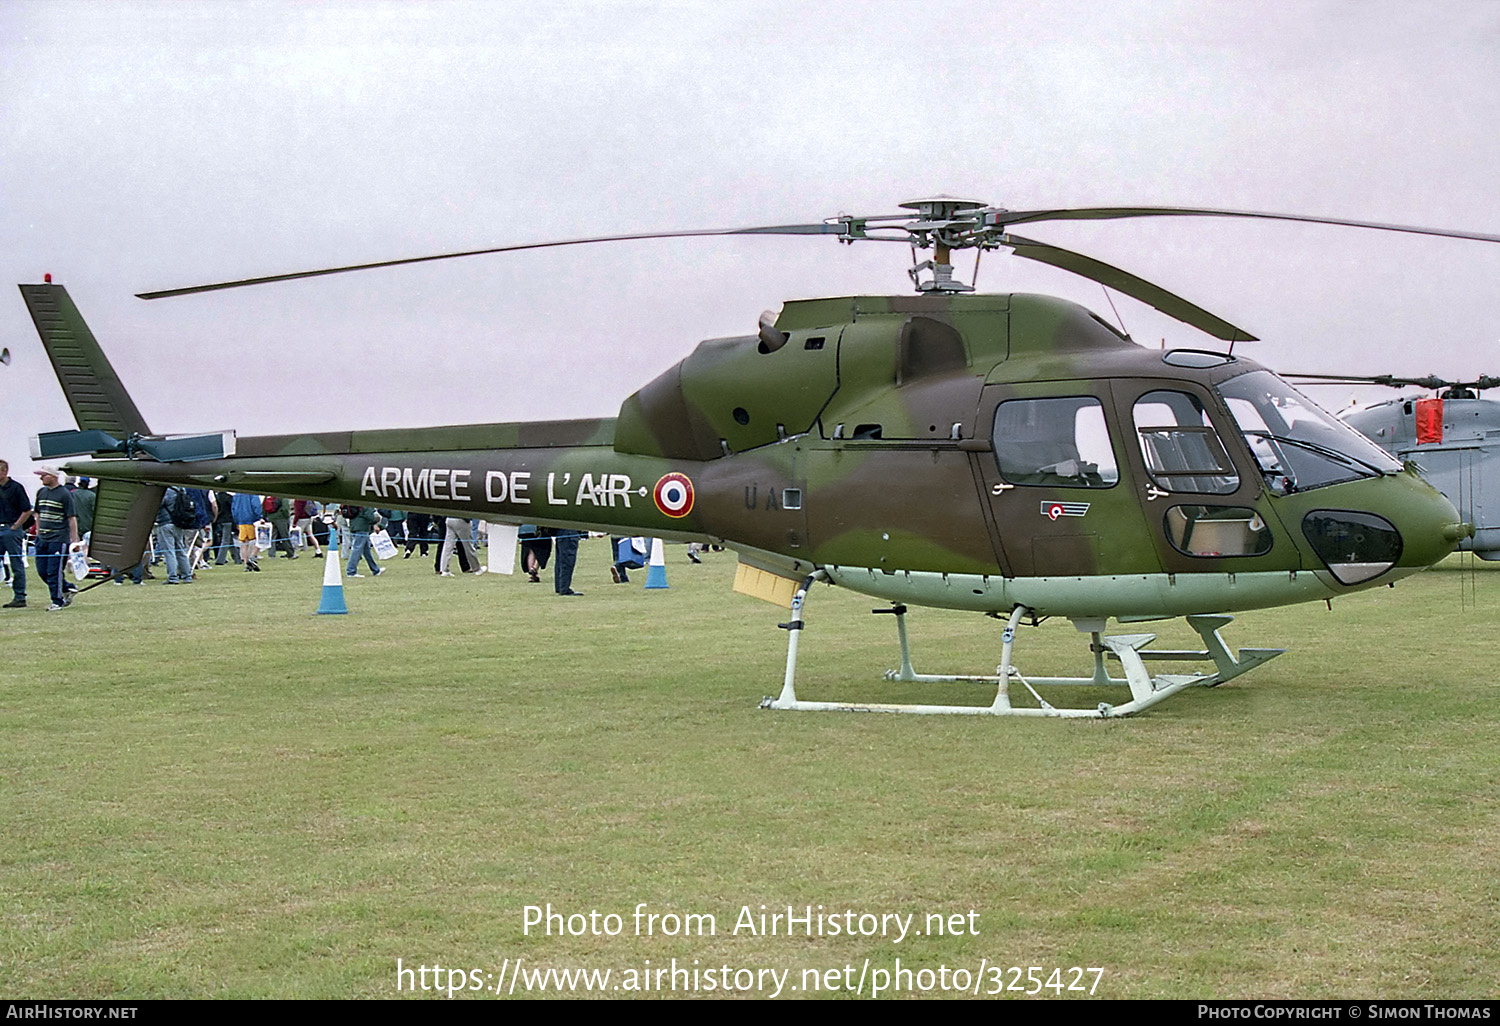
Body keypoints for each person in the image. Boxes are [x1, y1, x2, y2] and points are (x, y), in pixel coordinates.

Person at [32, 467, 79, 610]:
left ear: (53, 476)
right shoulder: (41, 493)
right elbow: (38, 514)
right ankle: (68, 587)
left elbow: (71, 518)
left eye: (43, 475)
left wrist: (74, 539)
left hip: (58, 538)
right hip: (43, 538)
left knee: (54, 571)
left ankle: (57, 601)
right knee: (42, 571)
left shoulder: (64, 494)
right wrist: (38, 532)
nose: (41, 478)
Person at [1, 459, 33, 608]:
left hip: (11, 529)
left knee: (16, 564)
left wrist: (15, 526)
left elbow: (27, 510)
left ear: (5, 471)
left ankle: (20, 597)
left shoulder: (16, 488)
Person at [343, 506, 385, 578]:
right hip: (362, 527)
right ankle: (351, 571)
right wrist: (375, 523)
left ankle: (375, 570)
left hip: (355, 525)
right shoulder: (366, 504)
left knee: (366, 550)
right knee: (357, 549)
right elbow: (368, 514)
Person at [231, 492, 262, 571]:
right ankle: (252, 557)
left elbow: (233, 509)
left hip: (241, 521)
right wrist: (259, 517)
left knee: (244, 543)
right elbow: (256, 505)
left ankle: (246, 563)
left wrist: (237, 521)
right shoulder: (252, 494)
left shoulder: (236, 495)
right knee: (259, 539)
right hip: (252, 520)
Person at [554, 528, 583, 596]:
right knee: (567, 560)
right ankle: (564, 588)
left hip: (561, 530)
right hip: (568, 531)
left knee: (560, 561)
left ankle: (560, 586)